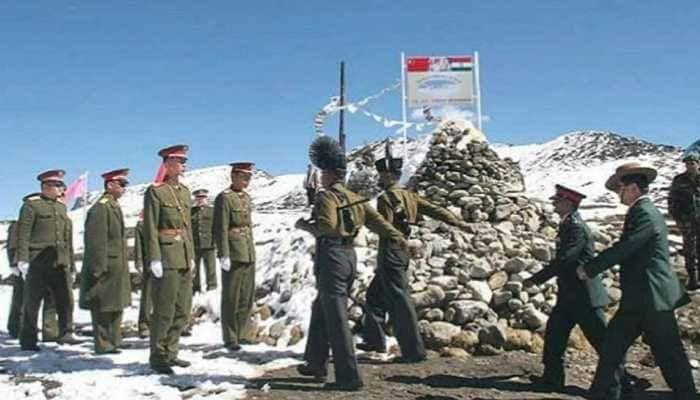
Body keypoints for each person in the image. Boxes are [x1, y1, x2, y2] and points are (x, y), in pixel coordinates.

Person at [294, 136, 413, 391]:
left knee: (336, 316)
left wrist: (304, 225)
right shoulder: (355, 198)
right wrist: (399, 238)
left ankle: (348, 377)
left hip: (332, 257)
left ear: (328, 174)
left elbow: (326, 227)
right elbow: (380, 223)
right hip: (349, 259)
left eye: (323, 172)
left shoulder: (326, 197)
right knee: (321, 307)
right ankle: (315, 362)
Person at [577, 162, 697, 400]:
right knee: (613, 344)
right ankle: (605, 392)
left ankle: (687, 394)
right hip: (640, 296)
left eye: (619, 188)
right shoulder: (640, 211)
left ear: (632, 188)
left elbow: (627, 246)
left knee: (668, 349)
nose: (617, 194)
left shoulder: (644, 213)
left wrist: (590, 269)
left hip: (652, 295)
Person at [359, 154, 469, 363]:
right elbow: (435, 210)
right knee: (374, 296)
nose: (379, 179)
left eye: (381, 175)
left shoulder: (385, 199)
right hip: (402, 252)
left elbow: (386, 227)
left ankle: (413, 351)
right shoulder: (409, 196)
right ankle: (374, 340)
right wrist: (458, 222)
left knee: (399, 302)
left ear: (389, 176)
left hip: (391, 250)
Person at [525, 185, 632, 391]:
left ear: (569, 204)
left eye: (558, 201)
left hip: (585, 296)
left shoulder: (575, 227)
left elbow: (566, 259)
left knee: (603, 343)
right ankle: (552, 380)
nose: (554, 204)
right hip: (570, 295)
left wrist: (537, 279)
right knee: (555, 337)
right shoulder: (568, 224)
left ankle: (623, 384)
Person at [143, 145, 194, 374]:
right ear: (167, 164)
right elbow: (151, 227)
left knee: (183, 309)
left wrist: (190, 255)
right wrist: (154, 257)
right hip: (166, 256)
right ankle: (158, 355)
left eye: (185, 160)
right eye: (180, 160)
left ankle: (171, 351)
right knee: (164, 310)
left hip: (182, 256)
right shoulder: (156, 192)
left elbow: (187, 227)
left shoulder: (184, 192)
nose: (184, 164)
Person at [16, 170, 79, 351]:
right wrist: (22, 259)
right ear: (46, 186)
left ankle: (65, 333)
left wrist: (71, 263)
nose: (62, 189)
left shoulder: (61, 207)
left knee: (65, 299)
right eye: (58, 186)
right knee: (32, 301)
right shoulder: (32, 206)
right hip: (37, 261)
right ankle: (28, 339)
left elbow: (67, 239)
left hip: (59, 261)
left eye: (62, 185)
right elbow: (23, 233)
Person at [79, 168, 132, 354]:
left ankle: (114, 340)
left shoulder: (113, 205)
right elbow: (96, 241)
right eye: (122, 184)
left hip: (116, 265)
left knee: (116, 304)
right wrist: (98, 268)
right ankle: (103, 344)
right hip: (106, 266)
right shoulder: (101, 208)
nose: (125, 188)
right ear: (110, 185)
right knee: (102, 306)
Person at [213, 163, 256, 351]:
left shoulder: (246, 197)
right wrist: (223, 253)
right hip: (234, 251)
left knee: (246, 295)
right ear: (234, 176)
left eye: (249, 177)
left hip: (247, 250)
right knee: (232, 296)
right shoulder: (225, 198)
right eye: (244, 177)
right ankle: (230, 337)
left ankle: (243, 333)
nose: (247, 181)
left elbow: (248, 226)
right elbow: (220, 227)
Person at [669, 153, 700, 291]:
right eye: (687, 163)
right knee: (689, 250)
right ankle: (693, 279)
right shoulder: (679, 180)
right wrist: (678, 218)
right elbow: (672, 200)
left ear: (698, 164)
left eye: (692, 163)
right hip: (687, 221)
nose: (690, 166)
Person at [191, 189, 217, 293]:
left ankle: (212, 288)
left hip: (209, 244)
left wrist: (215, 242)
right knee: (195, 269)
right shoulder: (191, 212)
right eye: (198, 197)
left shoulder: (211, 211)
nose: (200, 199)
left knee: (210, 268)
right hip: (195, 245)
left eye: (202, 197)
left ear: (206, 198)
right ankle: (196, 289)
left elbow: (216, 227)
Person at [134, 211, 152, 338]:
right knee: (148, 295)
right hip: (149, 263)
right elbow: (139, 246)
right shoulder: (142, 224)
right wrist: (139, 262)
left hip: (169, 260)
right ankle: (144, 324)